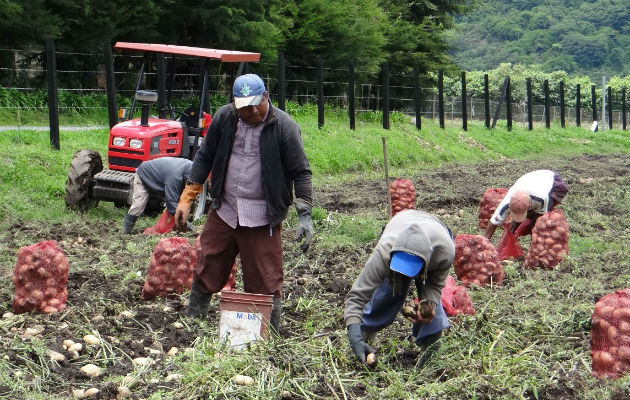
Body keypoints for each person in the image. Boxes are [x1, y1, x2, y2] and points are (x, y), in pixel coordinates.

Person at [174, 73, 313, 331]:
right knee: (208, 266)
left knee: (266, 280)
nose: (251, 112)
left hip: (262, 216)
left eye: (255, 105)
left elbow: (301, 171)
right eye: (244, 107)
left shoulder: (284, 126)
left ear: (266, 97)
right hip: (225, 209)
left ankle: (267, 336)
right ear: (235, 105)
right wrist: (187, 197)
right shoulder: (225, 118)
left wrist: (304, 213)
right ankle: (194, 325)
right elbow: (205, 156)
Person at [344, 209, 454, 368]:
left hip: (436, 234)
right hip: (400, 222)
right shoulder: (384, 253)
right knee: (386, 296)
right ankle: (363, 340)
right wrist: (355, 339)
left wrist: (428, 305)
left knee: (431, 314)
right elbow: (357, 296)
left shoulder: (444, 253)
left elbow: (435, 285)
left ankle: (430, 355)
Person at [484, 169, 569, 240]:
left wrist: (535, 240)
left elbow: (539, 218)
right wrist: (485, 242)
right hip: (528, 180)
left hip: (551, 180)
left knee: (538, 221)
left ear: (529, 205)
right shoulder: (507, 201)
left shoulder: (541, 198)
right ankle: (516, 230)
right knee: (518, 223)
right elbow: (494, 222)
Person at [122, 157, 193, 234]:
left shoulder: (193, 167)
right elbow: (171, 203)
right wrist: (185, 223)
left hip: (160, 177)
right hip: (144, 174)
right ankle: (126, 231)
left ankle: (177, 227)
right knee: (139, 205)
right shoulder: (174, 178)